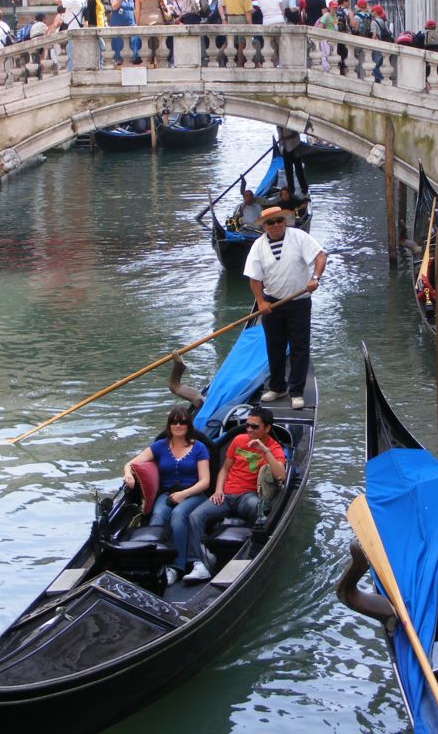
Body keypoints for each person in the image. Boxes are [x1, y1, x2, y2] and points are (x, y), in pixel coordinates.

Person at [183, 406, 286, 582]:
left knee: (258, 509)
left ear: (267, 428)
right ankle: (199, 563)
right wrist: (218, 490)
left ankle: (248, 554)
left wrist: (265, 450)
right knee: (195, 516)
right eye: (247, 426)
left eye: (254, 427)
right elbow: (224, 469)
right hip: (226, 495)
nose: (249, 430)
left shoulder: (274, 448)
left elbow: (280, 475)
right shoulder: (238, 440)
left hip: (248, 497)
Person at [244, 205, 327, 410]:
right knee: (274, 347)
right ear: (264, 226)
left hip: (299, 302)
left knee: (299, 347)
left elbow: (320, 256)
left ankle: (297, 391)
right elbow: (254, 279)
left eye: (279, 220)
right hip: (272, 304)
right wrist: (261, 302)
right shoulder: (258, 246)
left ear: (284, 221)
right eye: (270, 222)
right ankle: (278, 386)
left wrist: (315, 278)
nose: (276, 225)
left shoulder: (298, 237)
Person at [122, 406, 210, 586]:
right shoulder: (160, 446)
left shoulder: (199, 448)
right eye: (174, 422)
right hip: (167, 493)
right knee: (158, 516)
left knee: (178, 515)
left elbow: (205, 481)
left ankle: (176, 567)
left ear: (188, 425)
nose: (178, 425)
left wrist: (184, 494)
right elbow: (130, 463)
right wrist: (128, 474)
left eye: (182, 422)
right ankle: (154, 561)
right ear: (169, 425)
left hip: (193, 493)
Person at [135, 0, 167, 68]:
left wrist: (137, 22)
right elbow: (164, 5)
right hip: (157, 19)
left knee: (146, 43)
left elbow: (137, 10)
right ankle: (158, 63)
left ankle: (148, 63)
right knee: (157, 43)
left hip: (144, 20)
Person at [109, 0, 142, 66]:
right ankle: (119, 60)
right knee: (119, 43)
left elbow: (133, 10)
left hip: (130, 23)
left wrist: (136, 21)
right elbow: (114, 7)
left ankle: (134, 57)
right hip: (118, 23)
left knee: (133, 40)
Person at [56, 0, 87, 72]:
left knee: (70, 53)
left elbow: (58, 0)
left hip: (71, 29)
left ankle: (70, 72)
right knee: (77, 53)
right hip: (78, 27)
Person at [277, 125, 309, 195]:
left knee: (299, 170)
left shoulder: (291, 123)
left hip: (295, 147)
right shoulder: (278, 124)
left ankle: (304, 189)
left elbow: (297, 132)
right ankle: (291, 191)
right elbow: (280, 136)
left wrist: (286, 138)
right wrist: (281, 145)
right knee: (288, 171)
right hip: (285, 149)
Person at [85, 0, 106, 68]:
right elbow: (88, 12)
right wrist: (88, 24)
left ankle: (100, 66)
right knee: (101, 47)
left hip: (100, 26)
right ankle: (99, 66)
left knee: (100, 48)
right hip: (94, 26)